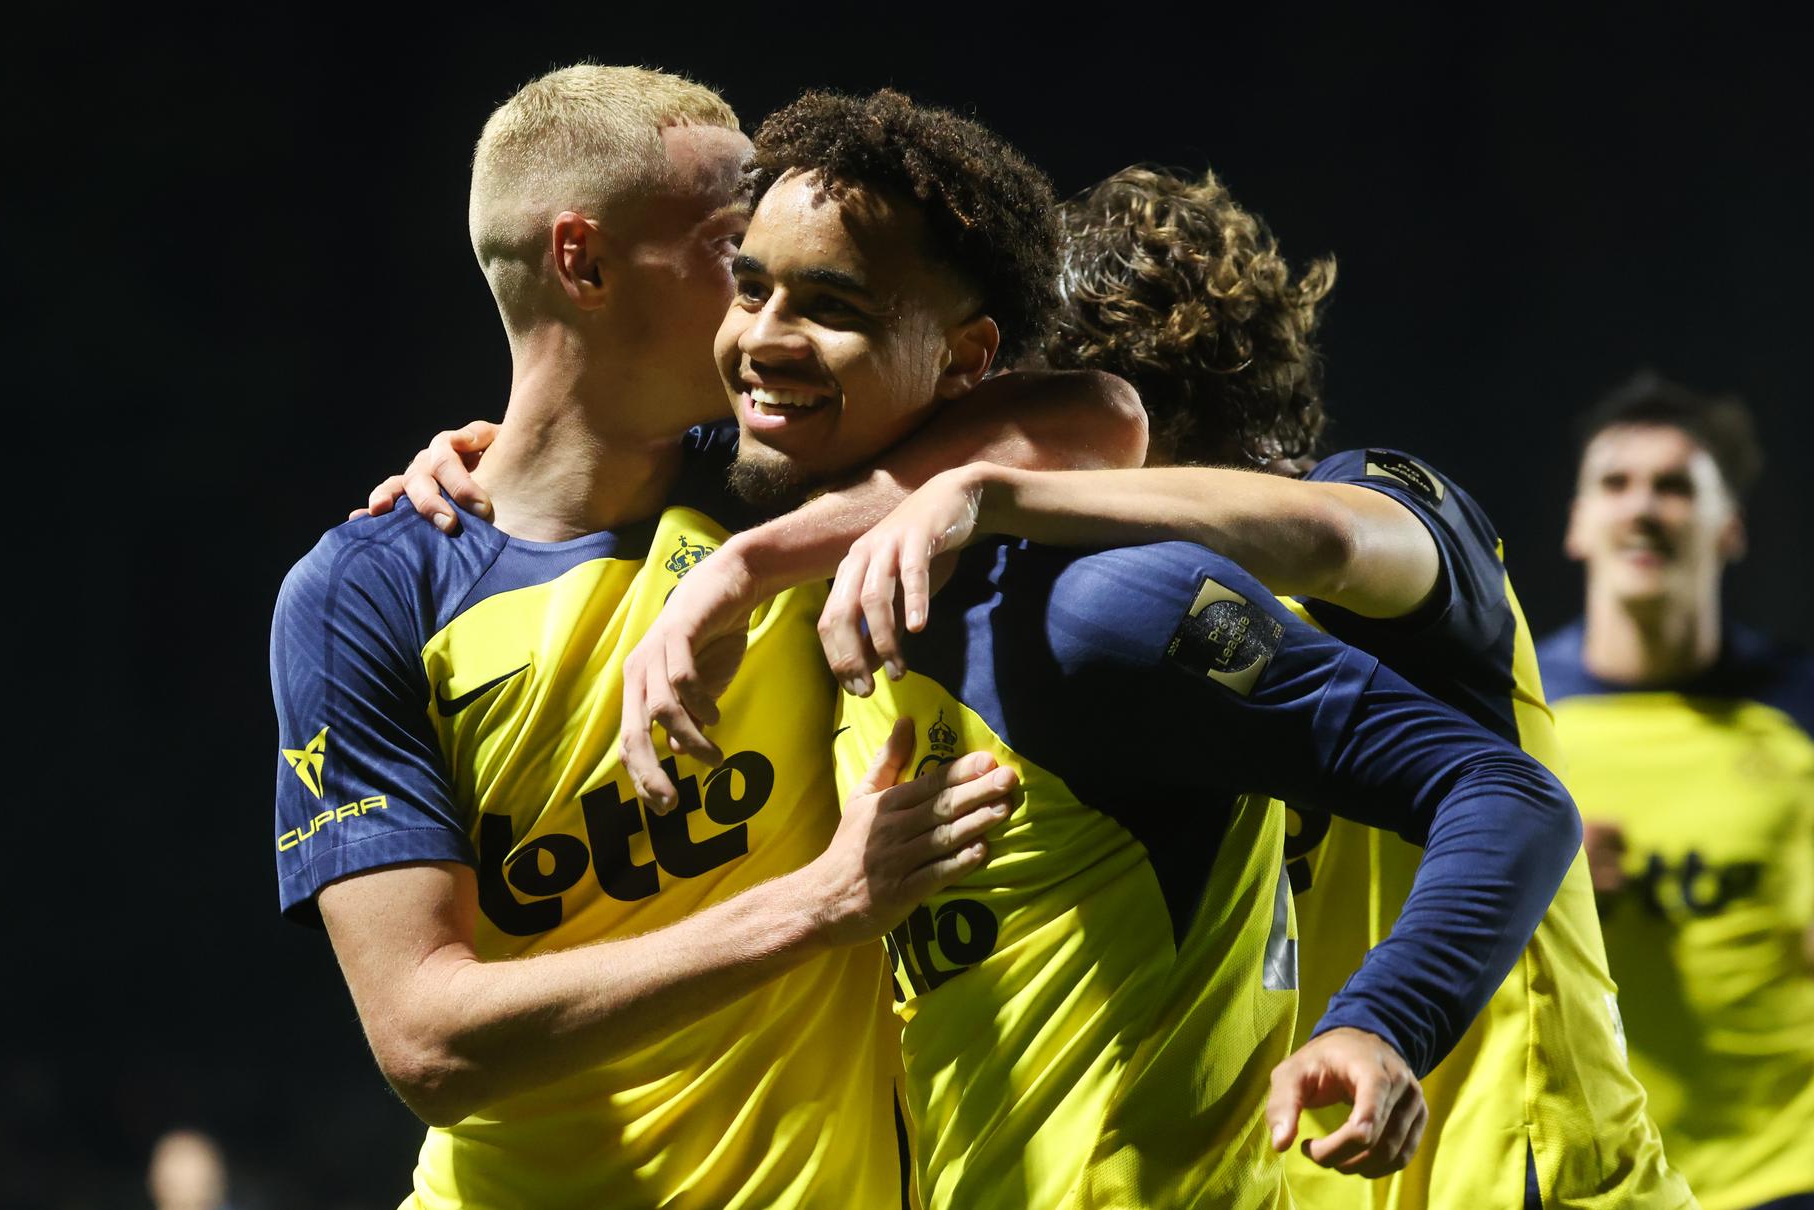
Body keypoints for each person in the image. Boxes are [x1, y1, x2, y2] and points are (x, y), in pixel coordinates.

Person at [627, 91, 1578, 1207]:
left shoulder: (1119, 598)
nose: (766, 336)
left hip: (1533, 1168)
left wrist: (1383, 1022)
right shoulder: (844, 575)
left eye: (838, 307)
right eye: (751, 287)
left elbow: (1495, 780)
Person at [272, 65, 1147, 1209]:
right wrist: (820, 904)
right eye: (736, 252)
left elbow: (1094, 417)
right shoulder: (370, 589)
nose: (772, 294)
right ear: (581, 260)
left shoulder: (784, 488)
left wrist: (745, 565)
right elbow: (428, 1040)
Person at [818, 165, 1695, 1210]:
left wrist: (991, 488)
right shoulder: (1118, 640)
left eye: (1048, 414)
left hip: (1526, 1169)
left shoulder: (1384, 516)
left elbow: (1327, 541)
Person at [1539, 372, 1814, 1210]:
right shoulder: (1513, 720)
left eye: (1675, 485)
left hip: (1783, 1173)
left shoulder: (1799, 710)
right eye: (1615, 484)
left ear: (1727, 528)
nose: (1643, 507)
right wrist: (1528, 879)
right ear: (1579, 526)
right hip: (1592, 1176)